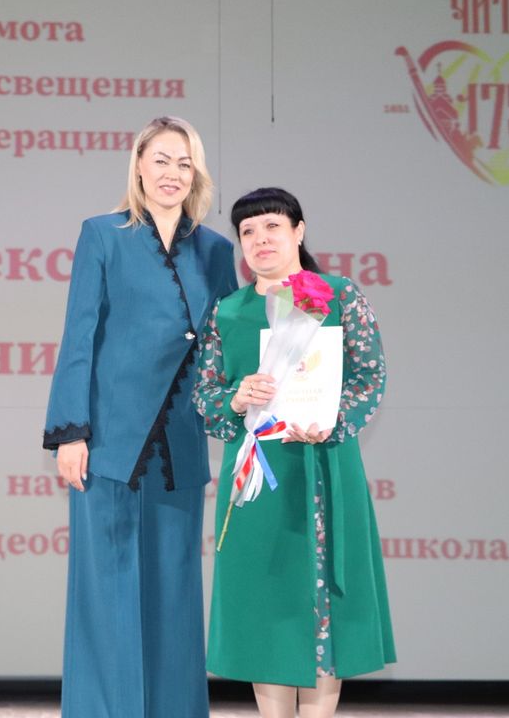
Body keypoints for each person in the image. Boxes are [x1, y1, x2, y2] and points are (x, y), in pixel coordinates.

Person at [43, 116, 238, 718]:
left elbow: (226, 343)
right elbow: (79, 337)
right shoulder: (102, 235)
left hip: (180, 444)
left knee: (174, 594)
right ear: (138, 166)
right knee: (106, 596)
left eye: (184, 163)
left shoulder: (215, 250)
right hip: (109, 443)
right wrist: (71, 433)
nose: (172, 173)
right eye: (161, 160)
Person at [193, 187, 395, 718]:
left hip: (324, 465)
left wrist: (332, 422)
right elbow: (206, 398)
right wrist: (236, 398)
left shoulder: (336, 295)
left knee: (323, 600)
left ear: (298, 232)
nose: (260, 239)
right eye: (248, 231)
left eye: (272, 226)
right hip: (258, 475)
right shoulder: (228, 311)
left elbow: (369, 375)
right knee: (267, 605)